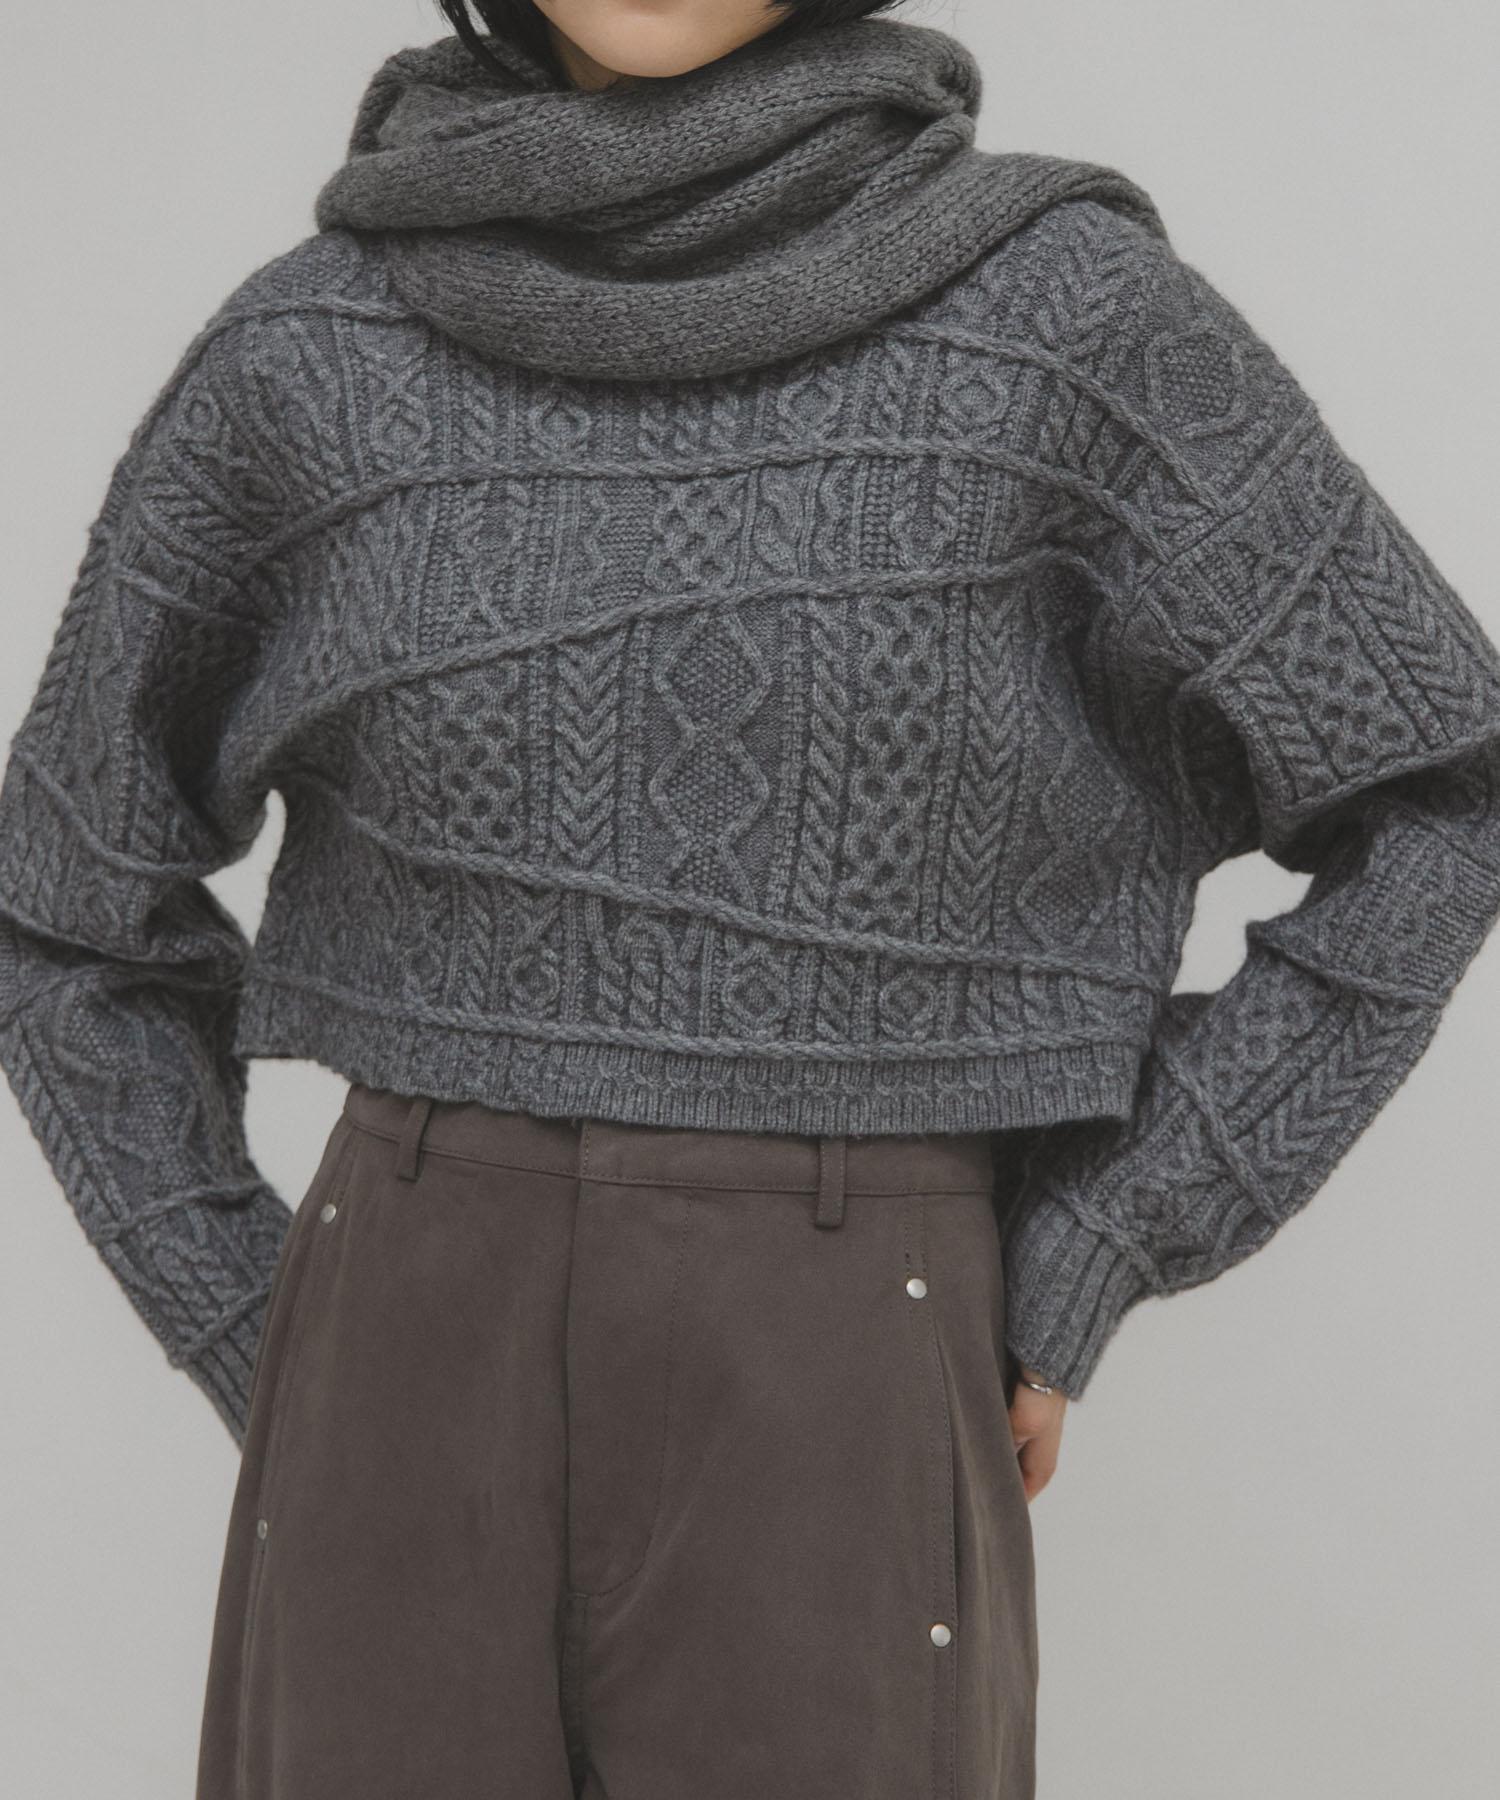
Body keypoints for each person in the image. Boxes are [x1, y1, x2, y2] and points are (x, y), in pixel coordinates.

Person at [2, 2, 1497, 1796]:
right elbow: (63, 901)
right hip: (398, 1332)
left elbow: (1442, 787)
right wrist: (263, 1328)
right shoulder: (305, 358)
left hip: (849, 1341)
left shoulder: (1069, 326)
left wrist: (1112, 1230)